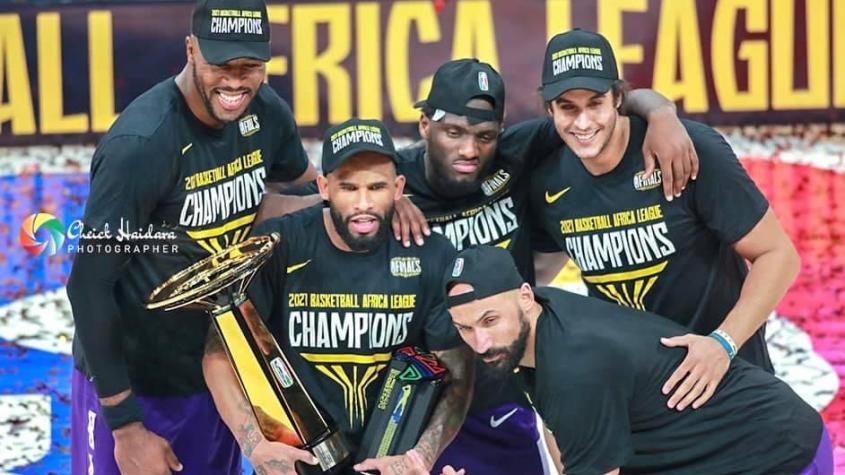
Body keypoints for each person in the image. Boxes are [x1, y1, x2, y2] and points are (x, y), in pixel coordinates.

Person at [256, 57, 699, 475]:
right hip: (420, 402)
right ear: (425, 125)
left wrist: (662, 115)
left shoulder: (516, 153)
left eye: (485, 136)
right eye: (453, 132)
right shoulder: (387, 175)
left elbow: (602, 106)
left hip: (501, 394)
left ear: (500, 132)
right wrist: (381, 201)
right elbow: (282, 207)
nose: (469, 149)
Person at [66, 0, 318, 473]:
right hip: (138, 385)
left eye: (250, 67)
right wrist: (127, 427)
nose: (236, 82)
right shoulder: (141, 145)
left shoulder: (266, 113)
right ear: (190, 50)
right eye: (222, 65)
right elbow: (88, 285)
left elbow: (306, 192)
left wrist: (371, 200)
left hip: (219, 373)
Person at [530, 29, 800, 410]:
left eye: (596, 104)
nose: (584, 122)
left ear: (618, 99)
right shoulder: (548, 181)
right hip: (639, 400)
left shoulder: (684, 150)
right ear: (550, 110)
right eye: (568, 108)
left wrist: (722, 344)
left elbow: (779, 255)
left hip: (727, 383)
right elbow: (537, 273)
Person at [203, 118, 474, 475]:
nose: (364, 203)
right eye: (348, 187)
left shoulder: (431, 254)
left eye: (377, 187)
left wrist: (419, 458)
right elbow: (219, 353)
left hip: (388, 463)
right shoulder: (281, 244)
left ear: (398, 188)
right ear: (324, 187)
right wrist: (254, 444)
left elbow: (458, 375)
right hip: (297, 461)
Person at [444, 245, 832, 475]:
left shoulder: (574, 367)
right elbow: (565, 440)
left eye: (490, 320)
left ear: (525, 297)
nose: (480, 343)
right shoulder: (543, 315)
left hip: (779, 456)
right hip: (744, 442)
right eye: (464, 328)